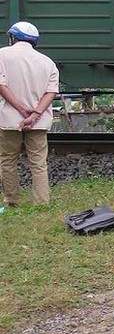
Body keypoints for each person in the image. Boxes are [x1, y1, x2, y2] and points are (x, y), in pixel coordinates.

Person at [0, 22, 59, 207]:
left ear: (13, 37)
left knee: (8, 160)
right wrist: (35, 114)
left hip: (9, 119)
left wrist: (20, 108)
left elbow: (1, 85)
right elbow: (51, 92)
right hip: (38, 121)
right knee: (38, 163)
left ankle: (12, 202)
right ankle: (41, 203)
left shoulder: (2, 55)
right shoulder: (47, 62)